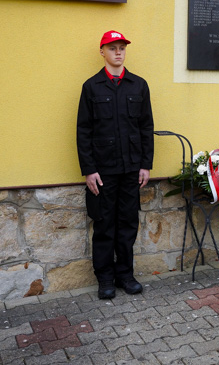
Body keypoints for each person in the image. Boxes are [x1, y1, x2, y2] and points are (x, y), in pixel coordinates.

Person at [77, 30, 154, 300]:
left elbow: (146, 127)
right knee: (105, 225)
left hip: (132, 169)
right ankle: (105, 278)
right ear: (102, 52)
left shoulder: (138, 85)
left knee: (127, 224)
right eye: (112, 48)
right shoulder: (92, 87)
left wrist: (146, 165)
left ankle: (125, 275)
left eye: (121, 47)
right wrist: (89, 169)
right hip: (103, 171)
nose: (118, 52)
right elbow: (83, 130)